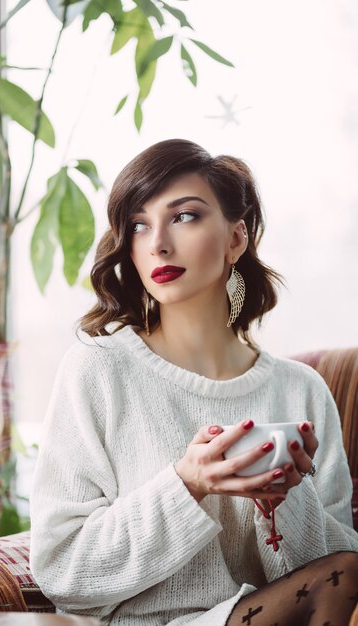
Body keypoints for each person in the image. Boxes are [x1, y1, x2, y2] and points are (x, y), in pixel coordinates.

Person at [29, 139, 358, 626]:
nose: (158, 242)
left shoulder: (303, 390)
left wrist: (283, 500)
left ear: (236, 238)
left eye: (184, 216)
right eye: (139, 225)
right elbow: (63, 572)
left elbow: (334, 576)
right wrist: (188, 485)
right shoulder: (97, 371)